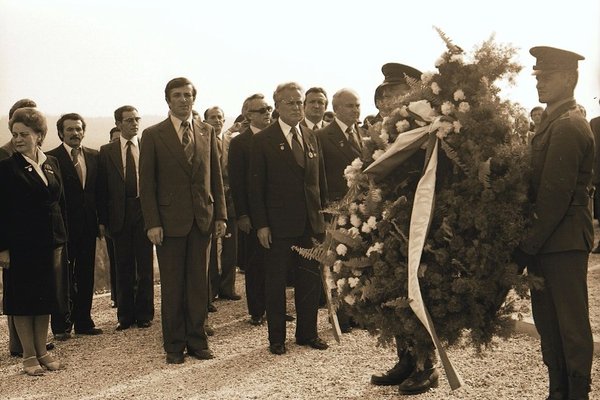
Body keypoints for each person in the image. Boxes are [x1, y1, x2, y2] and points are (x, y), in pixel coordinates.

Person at [514, 46, 594, 400]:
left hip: (562, 242)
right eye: (537, 76)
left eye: (547, 77)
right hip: (549, 242)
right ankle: (557, 390)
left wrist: (524, 246)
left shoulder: (568, 126)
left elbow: (553, 199)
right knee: (549, 325)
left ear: (569, 78)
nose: (539, 83)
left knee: (572, 328)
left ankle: (577, 393)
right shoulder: (552, 123)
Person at [139, 77, 227, 364]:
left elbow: (215, 177)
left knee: (199, 286)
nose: (183, 99)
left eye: (188, 95)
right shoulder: (153, 135)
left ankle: (197, 341)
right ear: (168, 100)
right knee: (174, 286)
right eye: (177, 95)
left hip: (202, 219)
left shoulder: (207, 131)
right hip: (169, 223)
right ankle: (174, 346)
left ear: (194, 98)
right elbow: (147, 184)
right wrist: (152, 223)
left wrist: (221, 216)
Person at [369, 63, 440, 395]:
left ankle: (427, 367)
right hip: (390, 223)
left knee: (418, 291)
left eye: (394, 93)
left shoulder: (424, 127)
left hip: (419, 221)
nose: (387, 101)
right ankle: (405, 360)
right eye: (383, 95)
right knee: (393, 291)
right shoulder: (384, 132)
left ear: (411, 95)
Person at [249, 82, 328, 355]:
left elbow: (319, 182)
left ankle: (308, 333)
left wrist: (324, 217)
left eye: (299, 102)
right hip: (278, 225)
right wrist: (261, 224)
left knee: (310, 280)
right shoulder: (263, 140)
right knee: (276, 282)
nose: (296, 107)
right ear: (278, 106)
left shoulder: (309, 135)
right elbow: (255, 188)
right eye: (290, 103)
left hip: (310, 223)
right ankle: (277, 338)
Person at [0, 107, 66, 375]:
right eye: (14, 134)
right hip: (20, 246)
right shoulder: (5, 167)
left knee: (45, 299)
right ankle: (28, 355)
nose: (18, 139)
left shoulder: (51, 163)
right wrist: (2, 247)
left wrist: (61, 238)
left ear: (39, 135)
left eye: (24, 134)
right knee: (24, 300)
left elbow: (58, 203)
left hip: (49, 243)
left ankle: (42, 351)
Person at [97, 106, 154, 331]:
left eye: (137, 119)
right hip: (119, 215)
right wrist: (102, 221)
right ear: (118, 124)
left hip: (144, 211)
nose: (134, 123)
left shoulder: (148, 147)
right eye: (129, 120)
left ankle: (145, 314)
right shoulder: (107, 151)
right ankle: (125, 316)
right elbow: (102, 189)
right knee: (123, 266)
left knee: (145, 265)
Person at [47, 113, 103, 339]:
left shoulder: (94, 156)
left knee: (85, 273)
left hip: (88, 226)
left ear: (83, 131)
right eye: (69, 129)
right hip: (62, 227)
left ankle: (84, 321)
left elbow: (100, 192)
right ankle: (61, 325)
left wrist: (101, 222)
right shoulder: (51, 158)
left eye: (78, 129)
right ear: (61, 133)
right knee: (63, 277)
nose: (75, 133)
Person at [315, 88, 364, 332]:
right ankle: (339, 316)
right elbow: (319, 177)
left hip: (360, 208)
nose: (356, 110)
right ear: (336, 110)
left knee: (356, 262)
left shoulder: (362, 134)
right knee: (336, 263)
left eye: (357, 105)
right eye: (350, 106)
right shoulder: (323, 136)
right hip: (336, 208)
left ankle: (356, 312)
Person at [228, 93, 272, 325]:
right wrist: (242, 214)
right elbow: (237, 182)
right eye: (261, 110)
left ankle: (274, 307)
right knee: (255, 264)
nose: (267, 113)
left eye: (268, 109)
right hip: (252, 215)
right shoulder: (239, 143)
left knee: (275, 263)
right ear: (248, 114)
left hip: (276, 211)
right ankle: (257, 310)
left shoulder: (276, 137)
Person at [203, 106, 241, 303]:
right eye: (213, 117)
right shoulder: (203, 142)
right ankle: (210, 289)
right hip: (209, 200)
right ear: (205, 120)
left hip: (229, 199)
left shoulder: (230, 141)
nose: (217, 121)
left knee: (230, 246)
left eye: (220, 117)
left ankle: (228, 286)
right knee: (209, 249)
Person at [363, 63, 422, 128]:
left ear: (412, 91)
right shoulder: (371, 129)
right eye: (384, 91)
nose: (385, 94)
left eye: (393, 89)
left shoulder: (428, 119)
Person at [107, 126, 121, 309]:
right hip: (114, 217)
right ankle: (117, 296)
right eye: (114, 139)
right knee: (116, 260)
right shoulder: (106, 155)